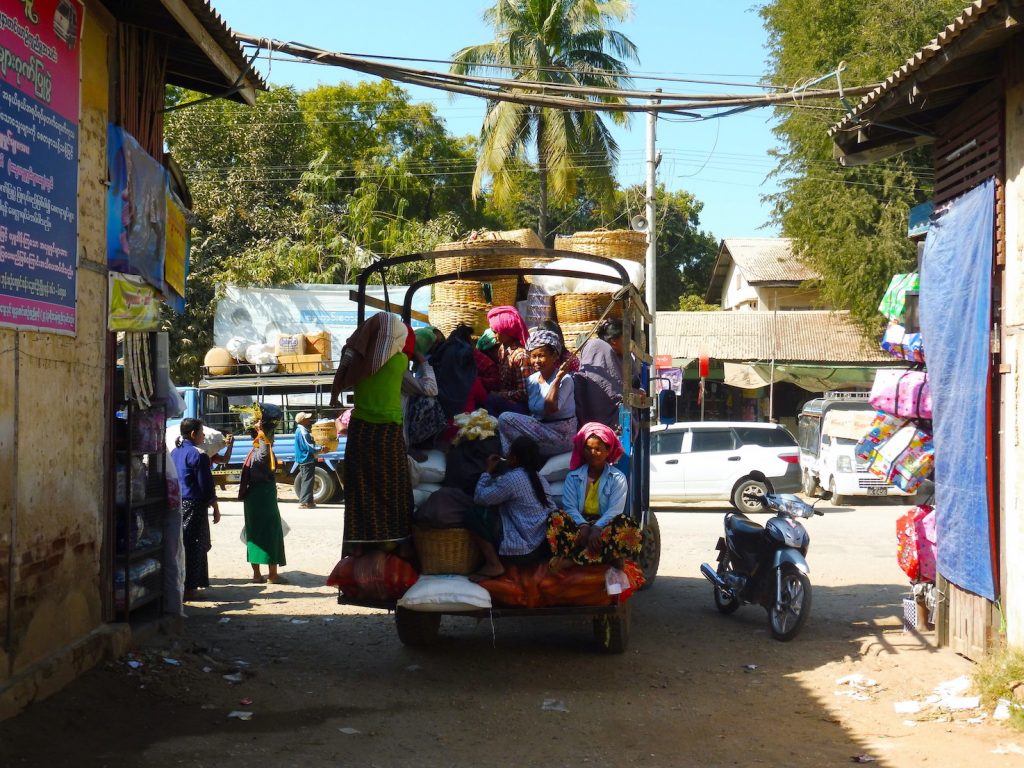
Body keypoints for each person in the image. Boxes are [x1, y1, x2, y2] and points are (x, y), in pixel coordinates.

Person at [331, 312, 416, 552]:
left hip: (360, 433)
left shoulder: (358, 361)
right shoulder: (399, 362)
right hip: (388, 433)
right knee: (393, 487)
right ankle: (392, 539)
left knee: (361, 489)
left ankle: (359, 543)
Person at [547, 422, 642, 566]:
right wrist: (584, 526)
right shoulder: (573, 477)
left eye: (598, 449)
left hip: (604, 526)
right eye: (588, 448)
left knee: (628, 525)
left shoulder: (617, 478)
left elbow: (615, 510)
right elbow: (570, 507)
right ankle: (604, 557)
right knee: (555, 518)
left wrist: (597, 528)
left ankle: (574, 560)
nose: (592, 453)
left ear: (607, 451)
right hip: (579, 526)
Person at [466, 436, 557, 580]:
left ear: (514, 458)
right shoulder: (540, 478)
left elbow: (480, 498)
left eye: (509, 453)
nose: (506, 456)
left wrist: (487, 471)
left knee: (474, 513)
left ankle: (493, 564)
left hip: (524, 551)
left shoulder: (514, 478)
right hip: (541, 547)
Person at [496, 328, 577, 457]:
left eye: (541, 356)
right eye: (533, 356)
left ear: (554, 356)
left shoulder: (565, 380)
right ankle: (511, 458)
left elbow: (550, 408)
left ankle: (511, 458)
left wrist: (557, 380)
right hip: (541, 429)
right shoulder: (532, 380)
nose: (536, 361)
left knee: (505, 418)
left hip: (561, 436)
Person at [170, 418, 221, 601]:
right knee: (195, 545)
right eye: (201, 432)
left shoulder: (174, 452)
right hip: (194, 504)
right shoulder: (198, 455)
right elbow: (206, 485)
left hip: (177, 504)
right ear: (193, 434)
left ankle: (182, 584)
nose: (204, 435)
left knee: (182, 544)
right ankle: (190, 588)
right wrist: (215, 506)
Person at [238, 404, 287, 583]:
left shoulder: (251, 452)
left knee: (255, 534)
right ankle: (272, 575)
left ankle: (257, 575)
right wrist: (262, 431)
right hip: (263, 498)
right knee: (271, 533)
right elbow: (266, 449)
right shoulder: (261, 450)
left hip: (252, 499)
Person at [574, 318, 625, 429]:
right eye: (626, 338)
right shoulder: (597, 347)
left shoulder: (624, 358)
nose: (629, 342)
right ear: (614, 341)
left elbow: (635, 383)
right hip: (597, 424)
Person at [484, 305, 532, 415]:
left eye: (496, 332)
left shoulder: (521, 355)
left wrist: (501, 395)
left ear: (508, 332)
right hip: (506, 399)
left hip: (522, 406)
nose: (494, 335)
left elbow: (525, 393)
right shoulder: (502, 349)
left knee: (491, 400)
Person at [293, 411, 323, 509]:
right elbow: (308, 445)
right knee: (307, 480)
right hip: (306, 458)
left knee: (308, 480)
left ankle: (309, 502)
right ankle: (304, 502)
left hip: (304, 458)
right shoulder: (302, 431)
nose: (309, 420)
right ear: (303, 420)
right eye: (307, 418)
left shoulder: (300, 430)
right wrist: (321, 449)